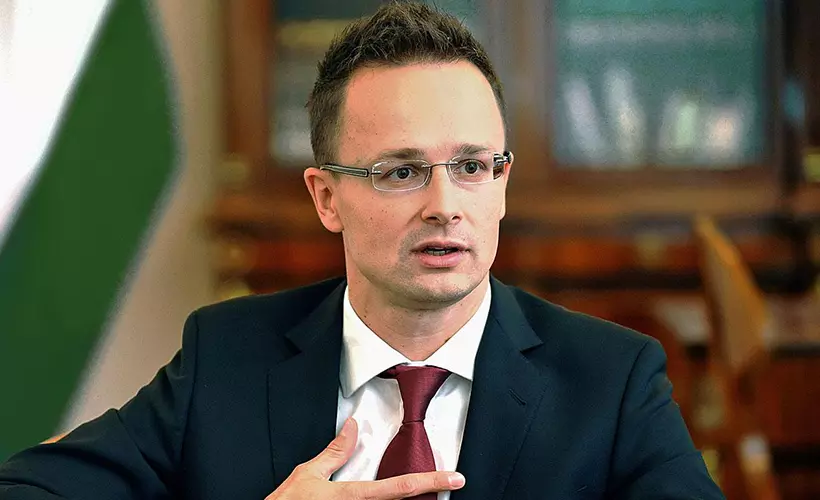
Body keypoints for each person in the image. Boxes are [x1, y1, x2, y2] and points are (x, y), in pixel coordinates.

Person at [0, 2, 724, 499]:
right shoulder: (225, 359)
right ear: (326, 198)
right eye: (401, 172)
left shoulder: (612, 380)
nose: (444, 204)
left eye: (472, 166)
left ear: (502, 183)